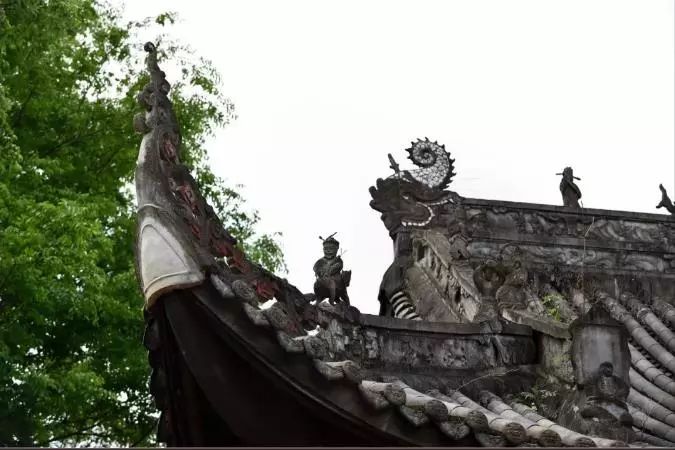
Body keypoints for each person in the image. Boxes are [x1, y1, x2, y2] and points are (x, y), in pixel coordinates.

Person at [313, 235, 351, 305]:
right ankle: (318, 298)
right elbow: (315, 267)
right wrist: (319, 271)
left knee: (342, 291)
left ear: (336, 249)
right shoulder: (321, 260)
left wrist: (331, 269)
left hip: (336, 279)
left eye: (331, 248)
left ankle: (336, 301)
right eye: (326, 248)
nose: (328, 250)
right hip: (323, 277)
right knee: (317, 285)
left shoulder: (338, 260)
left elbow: (338, 266)